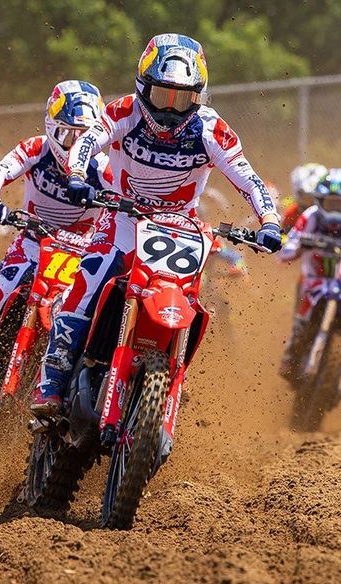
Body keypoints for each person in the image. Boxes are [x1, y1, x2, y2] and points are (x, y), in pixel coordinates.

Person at [31, 33, 283, 417]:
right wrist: (77, 174)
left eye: (182, 99)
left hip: (181, 227)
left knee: (191, 298)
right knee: (90, 279)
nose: (170, 109)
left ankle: (169, 380)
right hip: (123, 216)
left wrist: (270, 221)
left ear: (198, 97)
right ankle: (51, 382)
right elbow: (86, 142)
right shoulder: (124, 111)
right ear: (143, 87)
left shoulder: (211, 129)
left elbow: (249, 179)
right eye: (162, 95)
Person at [0, 80, 111, 408]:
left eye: (84, 137)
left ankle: (70, 383)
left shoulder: (102, 166)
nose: (75, 146)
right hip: (33, 241)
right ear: (51, 127)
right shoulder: (37, 149)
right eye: (68, 135)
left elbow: (126, 194)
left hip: (80, 250)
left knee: (85, 309)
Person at [279, 169, 341, 381]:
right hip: (313, 281)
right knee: (301, 324)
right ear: (320, 201)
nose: (336, 209)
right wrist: (299, 245)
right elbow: (286, 250)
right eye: (331, 204)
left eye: (340, 204)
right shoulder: (311, 216)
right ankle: (291, 355)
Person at [285, 163, 328, 231]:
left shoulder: (332, 211)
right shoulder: (292, 213)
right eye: (308, 196)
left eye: (315, 196)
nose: (312, 201)